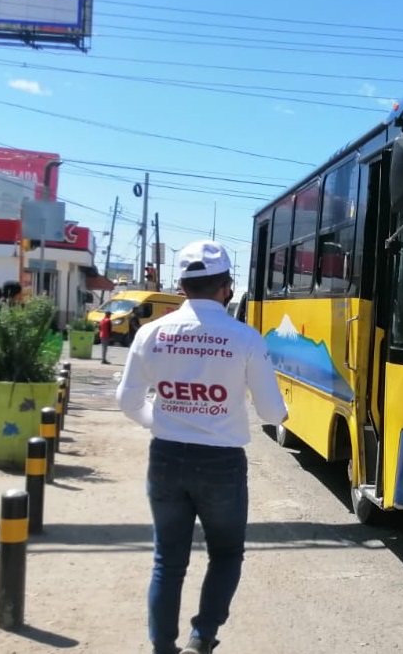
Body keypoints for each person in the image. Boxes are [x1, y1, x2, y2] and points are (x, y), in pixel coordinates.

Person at [116, 240, 287, 654]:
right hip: (222, 463)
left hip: (166, 456)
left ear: (181, 286)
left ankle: (162, 646)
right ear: (226, 287)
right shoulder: (245, 338)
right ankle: (202, 637)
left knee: (167, 562)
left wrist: (162, 422)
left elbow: (127, 401)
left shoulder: (150, 333)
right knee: (226, 554)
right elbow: (271, 412)